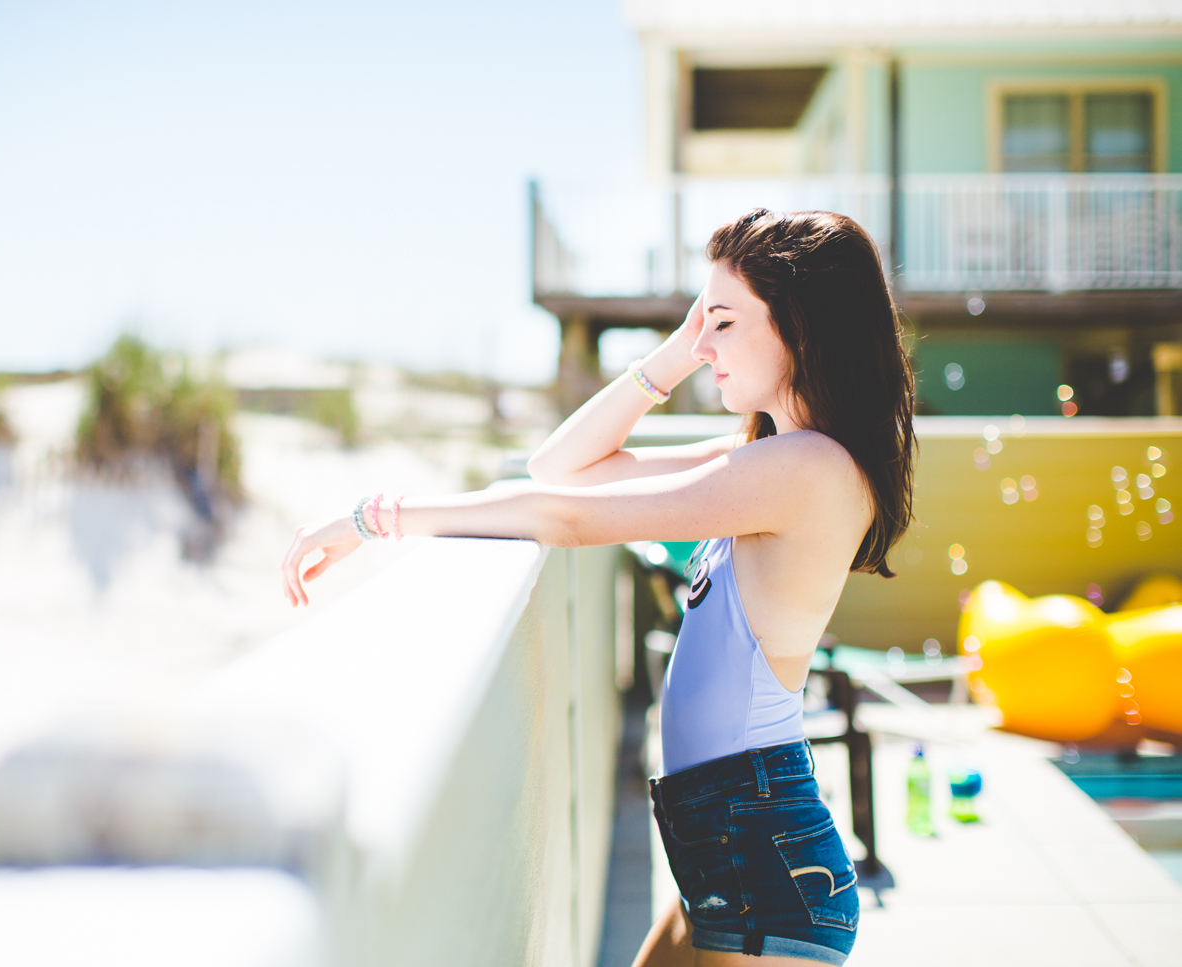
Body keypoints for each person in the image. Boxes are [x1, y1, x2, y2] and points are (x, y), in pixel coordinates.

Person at [281, 208, 915, 966]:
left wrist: (376, 518)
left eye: (723, 323)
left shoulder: (805, 469)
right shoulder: (774, 454)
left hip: (763, 862)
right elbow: (559, 466)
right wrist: (674, 354)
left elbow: (567, 514)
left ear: (799, 328)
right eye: (701, 324)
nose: (706, 345)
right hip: (736, 847)